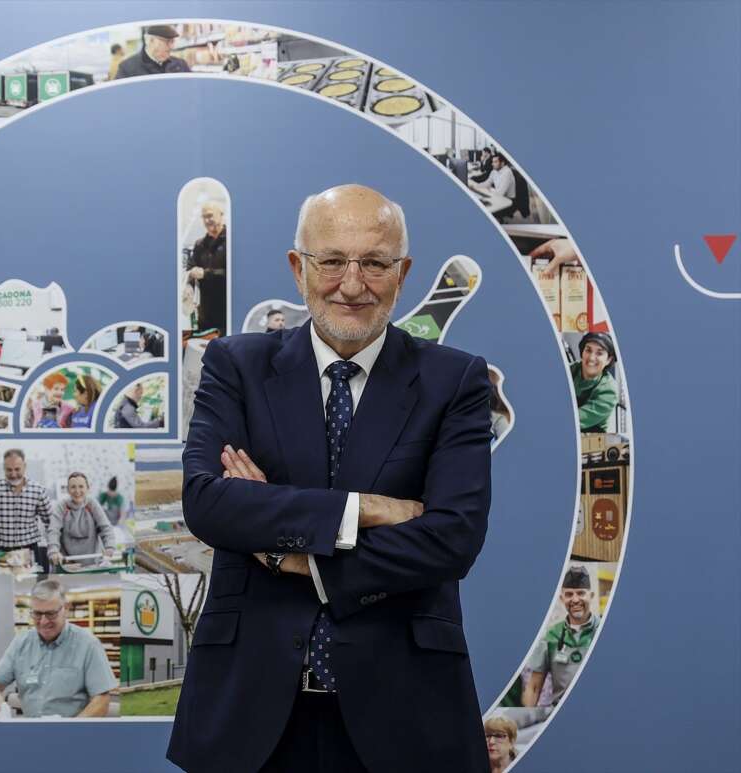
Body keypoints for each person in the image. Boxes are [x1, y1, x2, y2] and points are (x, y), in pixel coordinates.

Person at [167, 184, 493, 773]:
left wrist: (287, 553)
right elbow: (209, 504)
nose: (351, 283)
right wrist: (360, 509)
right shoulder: (236, 366)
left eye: (373, 262)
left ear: (403, 273)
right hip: (249, 714)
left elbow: (452, 538)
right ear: (298, 268)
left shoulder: (456, 382)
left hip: (405, 714)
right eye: (332, 260)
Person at [0, 579, 118, 717]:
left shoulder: (88, 644)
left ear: (66, 609)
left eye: (50, 614)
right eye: (37, 614)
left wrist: (71, 731)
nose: (43, 621)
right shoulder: (21, 643)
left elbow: (102, 700)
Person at [522, 565, 600, 708]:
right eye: (569, 594)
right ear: (561, 598)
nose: (575, 600)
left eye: (581, 593)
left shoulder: (602, 631)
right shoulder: (550, 636)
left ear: (591, 596)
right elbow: (533, 687)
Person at [0, 449, 54, 573]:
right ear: (4, 468)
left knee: (29, 588)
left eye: (17, 469)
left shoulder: (38, 490)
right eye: (9, 470)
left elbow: (51, 523)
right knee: (3, 589)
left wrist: (54, 548)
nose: (13, 474)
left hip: (29, 551)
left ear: (25, 467)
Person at [48, 472, 116, 565]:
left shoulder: (92, 504)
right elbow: (53, 531)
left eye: (81, 486)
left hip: (93, 562)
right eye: (73, 487)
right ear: (68, 490)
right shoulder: (61, 506)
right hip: (68, 564)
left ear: (87, 488)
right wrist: (53, 551)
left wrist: (109, 547)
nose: (77, 491)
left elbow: (106, 528)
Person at [186, 201, 228, 333]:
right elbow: (190, 267)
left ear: (221, 215)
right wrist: (189, 284)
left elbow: (233, 273)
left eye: (210, 215)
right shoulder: (200, 244)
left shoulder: (232, 240)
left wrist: (206, 274)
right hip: (204, 312)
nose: (207, 220)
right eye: (204, 217)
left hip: (226, 310)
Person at [571, 331, 619, 433]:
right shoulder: (571, 370)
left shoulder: (609, 391)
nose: (592, 358)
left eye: (599, 353)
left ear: (609, 360)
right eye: (588, 350)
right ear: (582, 352)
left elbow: (574, 420)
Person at [113, 25, 190, 79]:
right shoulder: (127, 68)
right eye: (167, 41)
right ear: (150, 41)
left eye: (172, 42)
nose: (171, 47)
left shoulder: (181, 65)